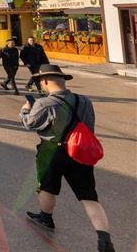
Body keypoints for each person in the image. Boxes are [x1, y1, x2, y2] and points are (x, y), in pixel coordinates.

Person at [19, 65, 115, 252]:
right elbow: (89, 124)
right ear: (63, 81)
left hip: (51, 151)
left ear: (45, 81)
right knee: (88, 195)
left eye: (41, 82)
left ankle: (46, 217)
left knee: (47, 186)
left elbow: (30, 123)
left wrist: (25, 110)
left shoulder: (44, 103)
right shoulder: (84, 101)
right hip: (79, 151)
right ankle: (104, 239)